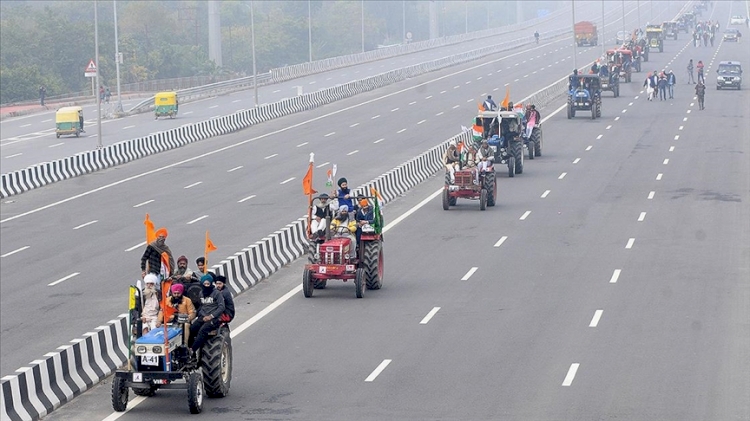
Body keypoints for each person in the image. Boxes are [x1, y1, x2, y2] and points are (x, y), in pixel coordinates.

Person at [189, 275, 225, 358]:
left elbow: (221, 307)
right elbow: (201, 306)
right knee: (191, 329)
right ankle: (190, 350)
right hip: (203, 317)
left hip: (214, 319)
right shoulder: (201, 293)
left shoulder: (216, 293)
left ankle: (192, 350)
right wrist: (199, 315)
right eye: (204, 284)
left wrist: (211, 316)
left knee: (203, 330)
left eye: (208, 284)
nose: (206, 285)